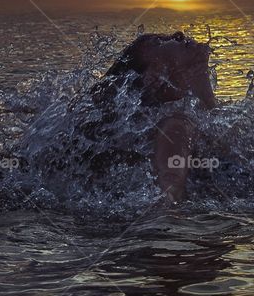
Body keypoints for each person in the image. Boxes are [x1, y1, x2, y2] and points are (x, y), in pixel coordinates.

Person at [86, 31, 216, 203]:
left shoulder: (203, 114)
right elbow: (170, 182)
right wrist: (168, 200)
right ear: (154, 77)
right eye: (158, 41)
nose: (178, 34)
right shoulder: (176, 122)